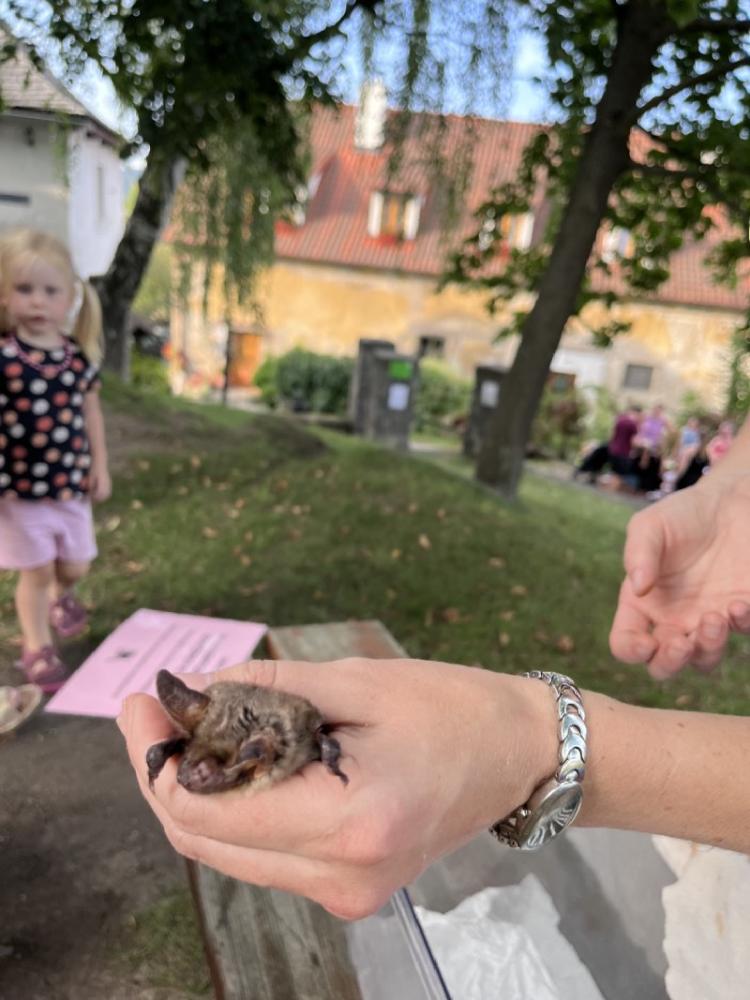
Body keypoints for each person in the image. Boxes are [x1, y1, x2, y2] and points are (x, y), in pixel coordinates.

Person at [0, 228, 111, 692]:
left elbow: (91, 414)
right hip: (19, 491)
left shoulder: (76, 359)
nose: (38, 301)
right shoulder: (5, 358)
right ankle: (37, 647)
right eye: (25, 289)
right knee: (37, 570)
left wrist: (99, 466)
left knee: (75, 565)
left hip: (69, 485)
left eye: (50, 291)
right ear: (5, 295)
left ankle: (61, 596)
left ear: (69, 298)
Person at [573, 404, 641, 483]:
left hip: (611, 448)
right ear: (636, 413)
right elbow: (633, 441)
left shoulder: (620, 419)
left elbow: (612, 434)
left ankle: (586, 474)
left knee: (598, 458)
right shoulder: (633, 424)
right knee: (623, 472)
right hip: (622, 453)